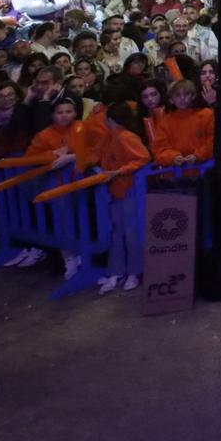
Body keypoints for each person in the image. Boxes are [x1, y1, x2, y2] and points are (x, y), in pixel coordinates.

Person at [94, 101, 151, 296]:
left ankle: (133, 271)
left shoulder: (125, 137)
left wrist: (119, 171)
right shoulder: (112, 137)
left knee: (130, 232)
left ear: (110, 119)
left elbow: (143, 158)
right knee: (118, 232)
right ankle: (118, 271)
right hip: (116, 190)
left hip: (127, 189)